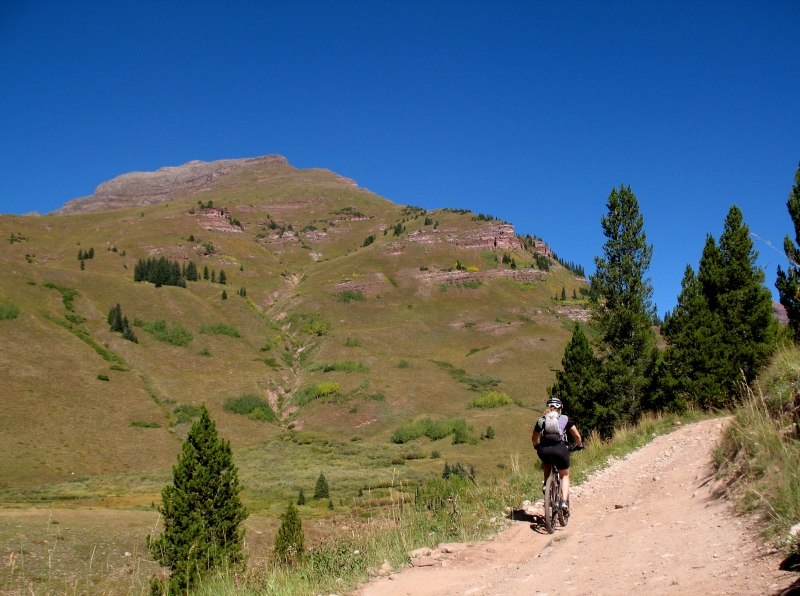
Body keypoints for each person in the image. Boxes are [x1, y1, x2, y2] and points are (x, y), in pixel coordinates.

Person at [531, 397, 583, 515]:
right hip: (560, 449)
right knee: (564, 475)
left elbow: (534, 438)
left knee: (546, 461)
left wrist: (537, 446)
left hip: (544, 450)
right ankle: (564, 502)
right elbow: (577, 436)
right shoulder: (565, 419)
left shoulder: (541, 420)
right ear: (561, 408)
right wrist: (579, 446)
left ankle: (546, 483)